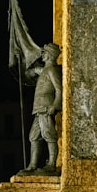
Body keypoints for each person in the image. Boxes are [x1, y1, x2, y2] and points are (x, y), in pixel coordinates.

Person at [25, 42, 63, 171]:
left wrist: (55, 105)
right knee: (33, 136)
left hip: (46, 108)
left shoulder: (52, 70)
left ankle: (52, 164)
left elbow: (59, 89)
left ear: (50, 56)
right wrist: (31, 71)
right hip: (39, 109)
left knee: (49, 135)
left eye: (45, 52)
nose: (43, 54)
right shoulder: (46, 70)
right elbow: (37, 71)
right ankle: (32, 165)